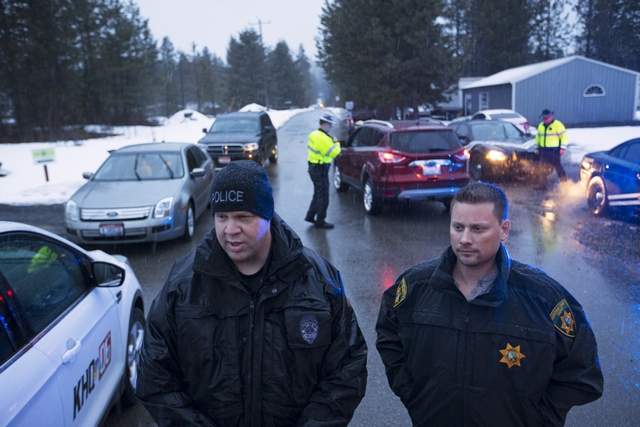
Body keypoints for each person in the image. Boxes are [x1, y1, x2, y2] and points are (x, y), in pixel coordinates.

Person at [136, 160, 367, 427]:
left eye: (243, 217)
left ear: (267, 216)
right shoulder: (183, 286)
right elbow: (155, 374)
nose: (230, 229)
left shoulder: (317, 280)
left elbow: (347, 367)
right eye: (222, 217)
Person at [376, 182, 603, 426]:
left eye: (478, 229)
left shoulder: (544, 298)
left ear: (504, 230)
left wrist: (537, 417)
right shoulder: (415, 286)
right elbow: (389, 336)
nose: (465, 239)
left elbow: (583, 373)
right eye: (458, 227)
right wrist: (415, 395)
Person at [305, 113, 341, 229]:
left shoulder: (314, 134)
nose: (331, 126)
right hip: (320, 168)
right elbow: (334, 152)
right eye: (329, 124)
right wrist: (337, 143)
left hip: (314, 167)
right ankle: (320, 221)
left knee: (318, 193)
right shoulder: (323, 138)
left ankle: (310, 216)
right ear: (324, 124)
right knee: (324, 196)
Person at [536, 109, 568, 186]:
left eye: (546, 118)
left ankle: (565, 184)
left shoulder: (558, 125)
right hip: (543, 150)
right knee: (542, 168)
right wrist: (537, 147)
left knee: (558, 167)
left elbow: (564, 137)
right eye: (543, 118)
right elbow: (538, 137)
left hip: (554, 150)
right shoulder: (541, 125)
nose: (545, 120)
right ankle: (542, 185)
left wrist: (563, 148)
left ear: (551, 117)